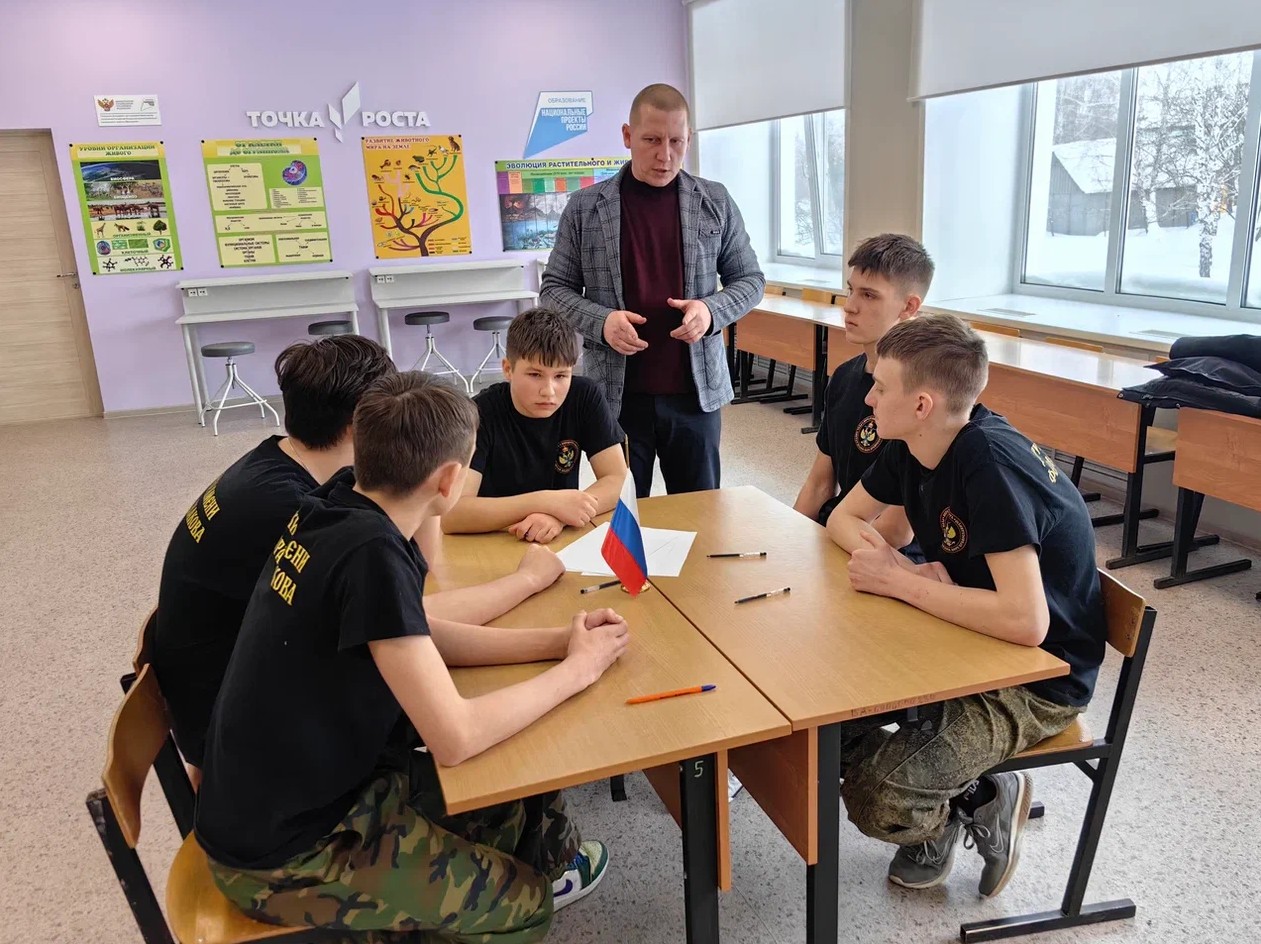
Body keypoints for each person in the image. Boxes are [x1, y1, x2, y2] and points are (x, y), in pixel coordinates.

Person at [196, 372, 627, 941]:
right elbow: (456, 736)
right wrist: (578, 670)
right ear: (449, 480)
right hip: (286, 851)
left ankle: (484, 886)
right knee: (527, 905)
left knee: (512, 784)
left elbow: (420, 633)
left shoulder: (337, 503)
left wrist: (557, 643)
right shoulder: (371, 555)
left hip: (304, 791)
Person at [154, 336, 565, 776]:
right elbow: (416, 616)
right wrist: (529, 593)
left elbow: (411, 597)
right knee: (506, 750)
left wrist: (425, 481)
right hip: (247, 741)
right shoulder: (308, 515)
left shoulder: (296, 472)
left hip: (251, 708)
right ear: (361, 423)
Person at [826, 315, 1107, 898]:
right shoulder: (918, 443)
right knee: (824, 716)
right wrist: (898, 568)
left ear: (922, 404)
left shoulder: (988, 463)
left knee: (878, 797)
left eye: (880, 386)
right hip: (966, 635)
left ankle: (978, 800)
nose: (868, 397)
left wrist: (904, 583)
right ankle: (964, 788)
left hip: (1038, 678)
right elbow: (845, 519)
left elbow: (1028, 623)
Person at [541, 82, 765, 498]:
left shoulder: (715, 201)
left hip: (696, 395)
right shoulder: (585, 207)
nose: (665, 155)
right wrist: (602, 322)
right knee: (626, 513)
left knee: (700, 512)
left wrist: (710, 311)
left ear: (688, 139)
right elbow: (554, 289)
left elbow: (750, 280)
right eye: (651, 140)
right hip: (617, 397)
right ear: (628, 136)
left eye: (676, 141)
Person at [793, 234, 934, 550]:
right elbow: (819, 485)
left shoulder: (920, 397)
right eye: (850, 290)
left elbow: (895, 532)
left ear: (908, 306)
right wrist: (790, 545)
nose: (849, 306)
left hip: (888, 554)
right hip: (840, 531)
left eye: (869, 295)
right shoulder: (844, 376)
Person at [442, 307, 627, 543]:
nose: (548, 391)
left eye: (561, 376)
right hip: (494, 538)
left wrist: (559, 516)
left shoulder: (584, 396)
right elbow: (452, 514)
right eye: (535, 375)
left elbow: (618, 480)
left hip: (557, 536)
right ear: (508, 369)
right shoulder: (478, 413)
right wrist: (547, 502)